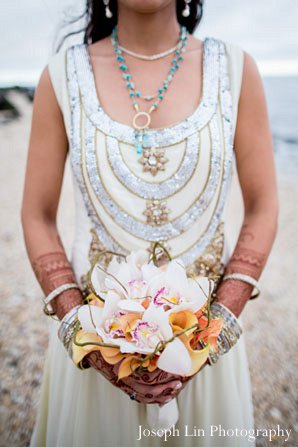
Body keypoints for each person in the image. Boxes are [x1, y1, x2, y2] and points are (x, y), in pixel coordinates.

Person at [21, 1, 278, 446]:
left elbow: (263, 205)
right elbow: (37, 215)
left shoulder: (236, 69)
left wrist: (212, 337)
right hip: (92, 362)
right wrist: (85, 337)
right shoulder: (61, 76)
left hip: (207, 364)